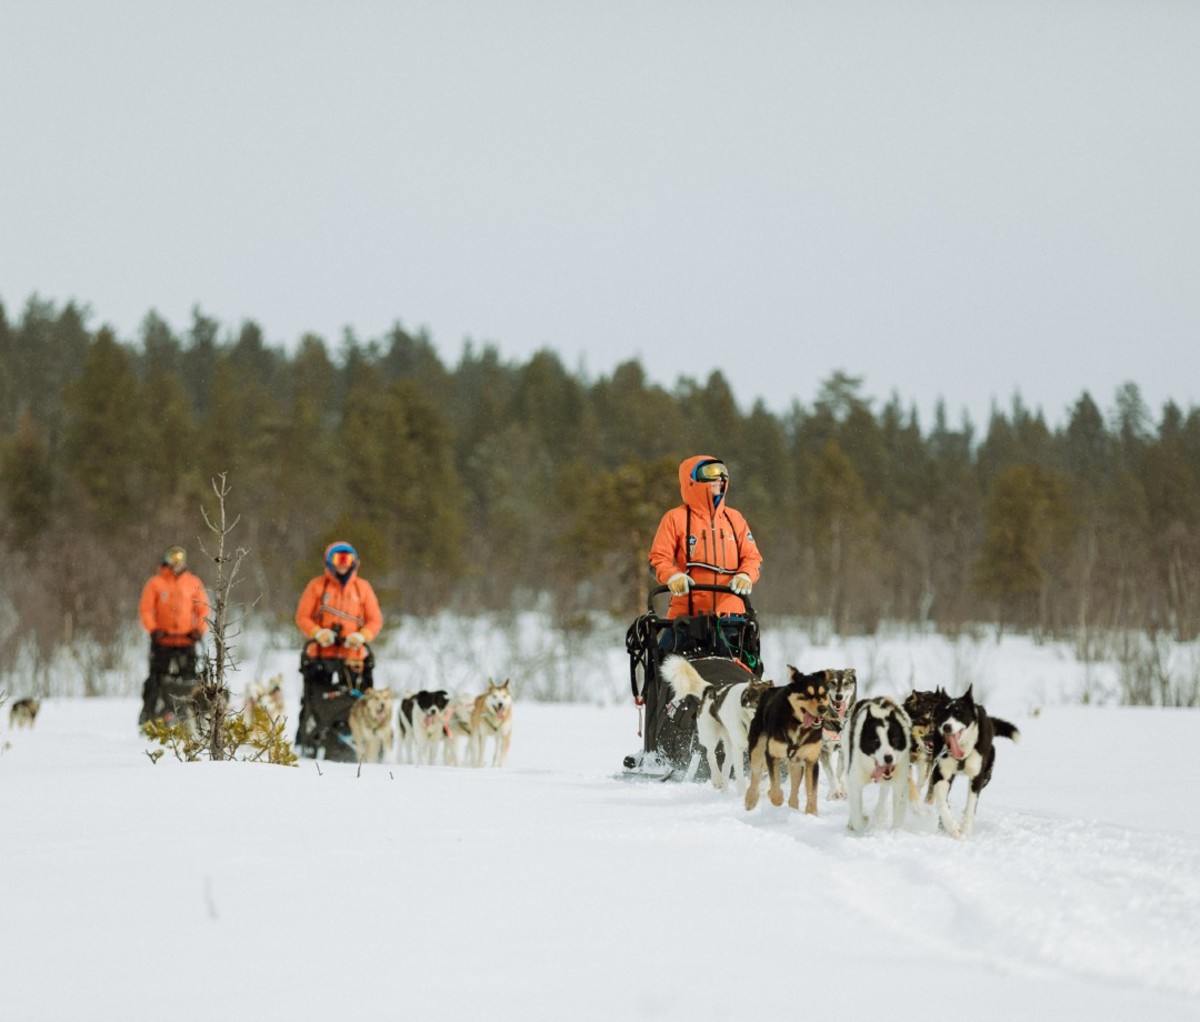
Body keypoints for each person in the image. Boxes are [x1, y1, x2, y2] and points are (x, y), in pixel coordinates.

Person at [294, 541, 383, 756]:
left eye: (347, 559)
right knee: (315, 700)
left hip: (352, 658)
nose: (343, 564)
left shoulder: (362, 588)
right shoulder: (317, 586)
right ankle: (310, 741)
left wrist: (361, 636)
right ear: (329, 561)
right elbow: (302, 616)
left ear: (354, 562)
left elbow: (375, 620)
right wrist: (318, 633)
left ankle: (353, 742)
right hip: (321, 657)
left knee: (356, 701)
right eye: (338, 559)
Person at [648, 454, 762, 620]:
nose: (719, 479)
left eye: (723, 473)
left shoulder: (734, 518)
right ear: (692, 479)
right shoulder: (675, 518)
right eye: (711, 473)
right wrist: (672, 576)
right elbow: (657, 560)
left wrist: (746, 575)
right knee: (662, 645)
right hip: (686, 616)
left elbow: (753, 558)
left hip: (731, 617)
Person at [138, 545, 210, 726]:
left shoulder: (193, 582)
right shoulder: (156, 583)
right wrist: (153, 629)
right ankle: (149, 715)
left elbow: (203, 609)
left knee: (190, 679)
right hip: (162, 641)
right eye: (173, 561)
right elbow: (146, 610)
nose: (176, 565)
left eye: (180, 561)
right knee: (156, 679)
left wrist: (199, 630)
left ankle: (192, 717)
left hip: (187, 641)